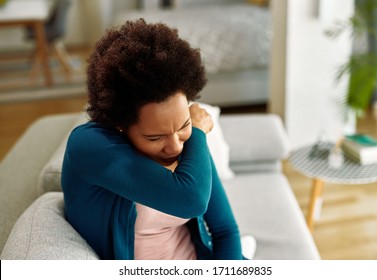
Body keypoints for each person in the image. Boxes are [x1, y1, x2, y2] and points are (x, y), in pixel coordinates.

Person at [61, 19, 244, 260]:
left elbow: (225, 231)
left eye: (184, 125)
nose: (176, 146)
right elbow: (192, 200)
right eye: (155, 137)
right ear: (120, 125)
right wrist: (197, 132)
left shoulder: (187, 143)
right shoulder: (88, 146)